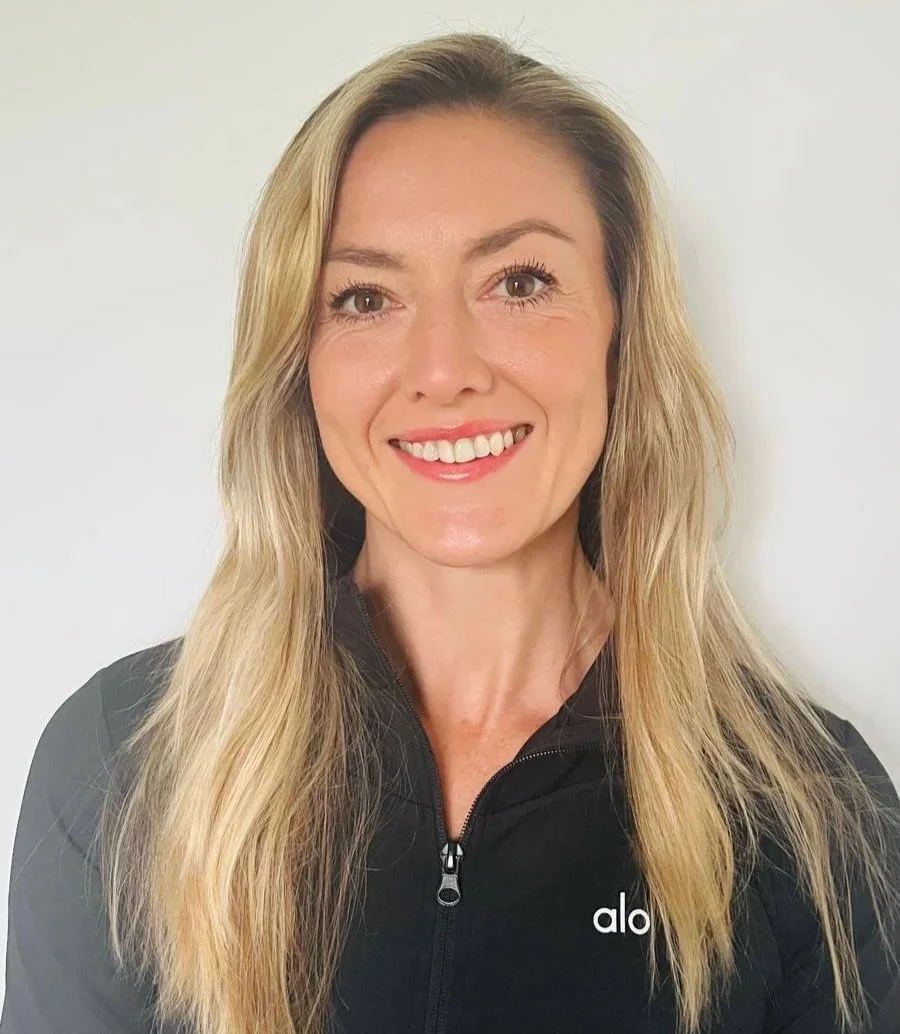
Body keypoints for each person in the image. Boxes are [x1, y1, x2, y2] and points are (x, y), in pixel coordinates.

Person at [2, 29, 898, 1034]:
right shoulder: (120, 761)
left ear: (621, 323)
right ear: (301, 361)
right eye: (365, 297)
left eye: (519, 282)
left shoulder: (816, 809)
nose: (444, 368)